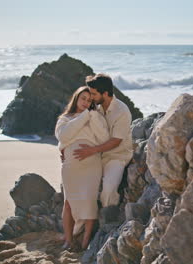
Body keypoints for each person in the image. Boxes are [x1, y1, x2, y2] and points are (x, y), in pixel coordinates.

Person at [54, 86, 109, 251]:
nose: (86, 102)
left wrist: (91, 115)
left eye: (89, 100)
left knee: (89, 201)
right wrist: (84, 115)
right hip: (71, 167)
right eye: (83, 98)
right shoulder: (65, 118)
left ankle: (85, 241)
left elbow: (103, 137)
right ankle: (69, 240)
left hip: (92, 165)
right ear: (76, 98)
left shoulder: (95, 117)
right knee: (69, 203)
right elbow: (63, 136)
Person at [74, 74, 133, 208]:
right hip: (97, 154)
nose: (91, 97)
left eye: (94, 94)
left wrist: (91, 151)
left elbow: (116, 141)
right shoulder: (95, 107)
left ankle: (108, 219)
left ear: (105, 93)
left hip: (117, 156)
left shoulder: (122, 111)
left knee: (108, 189)